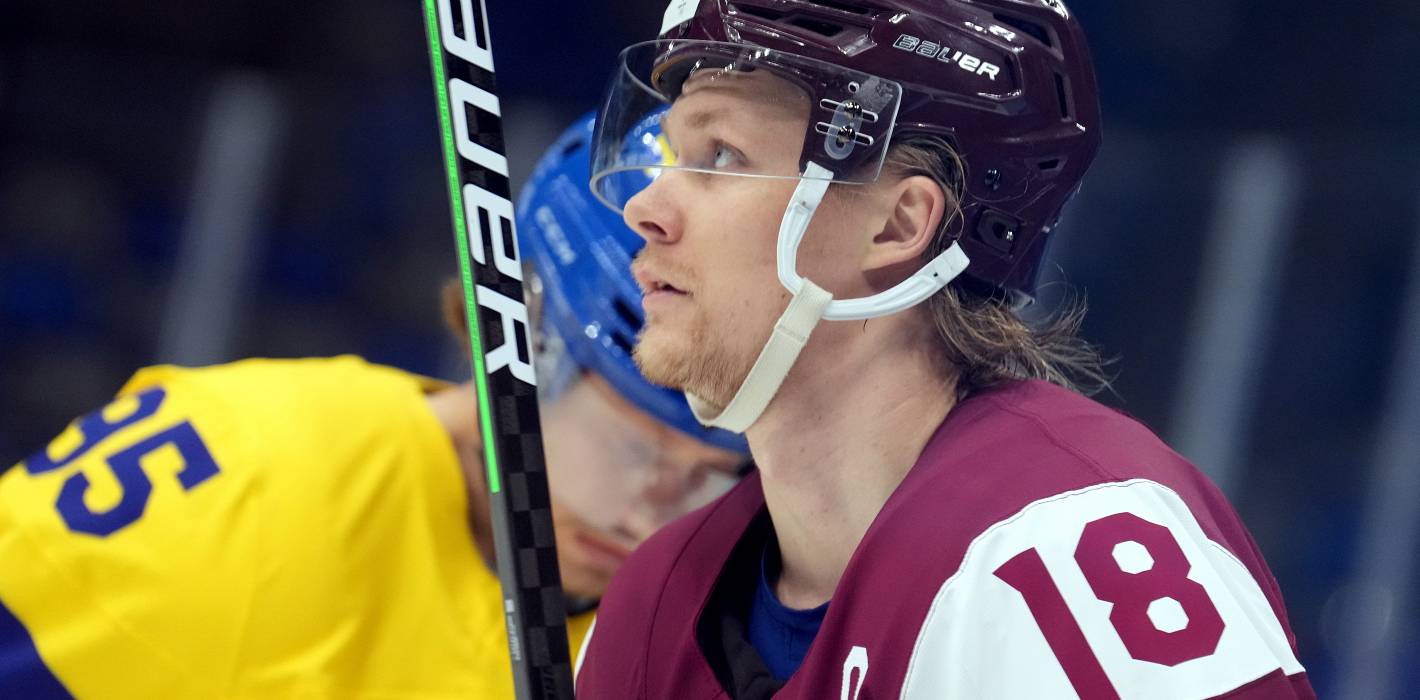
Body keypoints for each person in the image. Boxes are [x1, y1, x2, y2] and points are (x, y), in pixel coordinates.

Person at [574, 2, 1315, 698]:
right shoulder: (653, 603)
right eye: (672, 154)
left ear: (899, 226)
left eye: (722, 155)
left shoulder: (1069, 548)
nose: (644, 208)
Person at [0, 114, 746, 699]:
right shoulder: (251, 470)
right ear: (519, 339)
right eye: (627, 450)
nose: (648, 521)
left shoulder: (698, 640)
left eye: (713, 475)